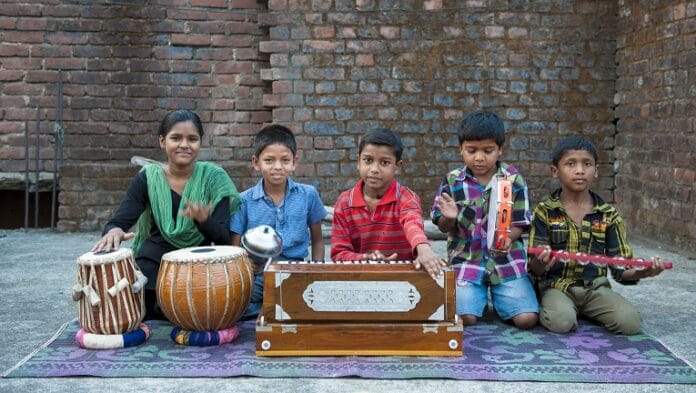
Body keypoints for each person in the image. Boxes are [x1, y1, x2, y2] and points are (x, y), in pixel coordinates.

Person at [92, 109, 240, 320]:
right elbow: (121, 220)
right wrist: (113, 230)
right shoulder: (149, 178)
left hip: (197, 265)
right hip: (154, 263)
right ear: (162, 141)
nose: (184, 145)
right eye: (176, 138)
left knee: (198, 309)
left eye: (192, 139)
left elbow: (225, 240)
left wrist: (204, 221)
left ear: (200, 143)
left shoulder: (214, 179)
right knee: (137, 307)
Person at [528, 135, 664, 335]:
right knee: (560, 323)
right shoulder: (545, 212)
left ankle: (585, 310)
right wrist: (542, 261)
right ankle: (563, 308)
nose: (580, 170)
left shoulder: (609, 215)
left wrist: (643, 271)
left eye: (587, 164)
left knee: (630, 323)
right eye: (570, 164)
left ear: (596, 171)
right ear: (555, 171)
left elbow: (621, 270)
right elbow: (534, 268)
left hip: (595, 289)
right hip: (557, 287)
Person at [431, 111, 538, 329]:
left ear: (500, 149)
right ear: (461, 149)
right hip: (467, 262)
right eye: (471, 150)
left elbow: (521, 222)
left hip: (506, 263)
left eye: (488, 151)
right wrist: (449, 219)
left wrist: (508, 237)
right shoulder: (453, 181)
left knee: (527, 319)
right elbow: (442, 225)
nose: (479, 157)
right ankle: (476, 297)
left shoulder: (513, 179)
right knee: (465, 318)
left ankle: (504, 297)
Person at [231, 124, 327, 319]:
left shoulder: (308, 195)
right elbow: (234, 247)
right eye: (269, 160)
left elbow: (317, 239)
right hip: (258, 276)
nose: (277, 167)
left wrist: (317, 271)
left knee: (315, 302)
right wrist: (246, 265)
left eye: (285, 160)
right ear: (256, 162)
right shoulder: (243, 201)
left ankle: (274, 308)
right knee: (234, 305)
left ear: (294, 162)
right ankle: (269, 309)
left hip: (296, 272)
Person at [331, 128, 446, 279]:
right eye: (368, 160)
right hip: (360, 279)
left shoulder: (406, 197)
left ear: (398, 166)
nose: (374, 169)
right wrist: (367, 259)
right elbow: (338, 254)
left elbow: (412, 223)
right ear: (358, 161)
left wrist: (423, 249)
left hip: (404, 279)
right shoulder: (344, 202)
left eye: (384, 162)